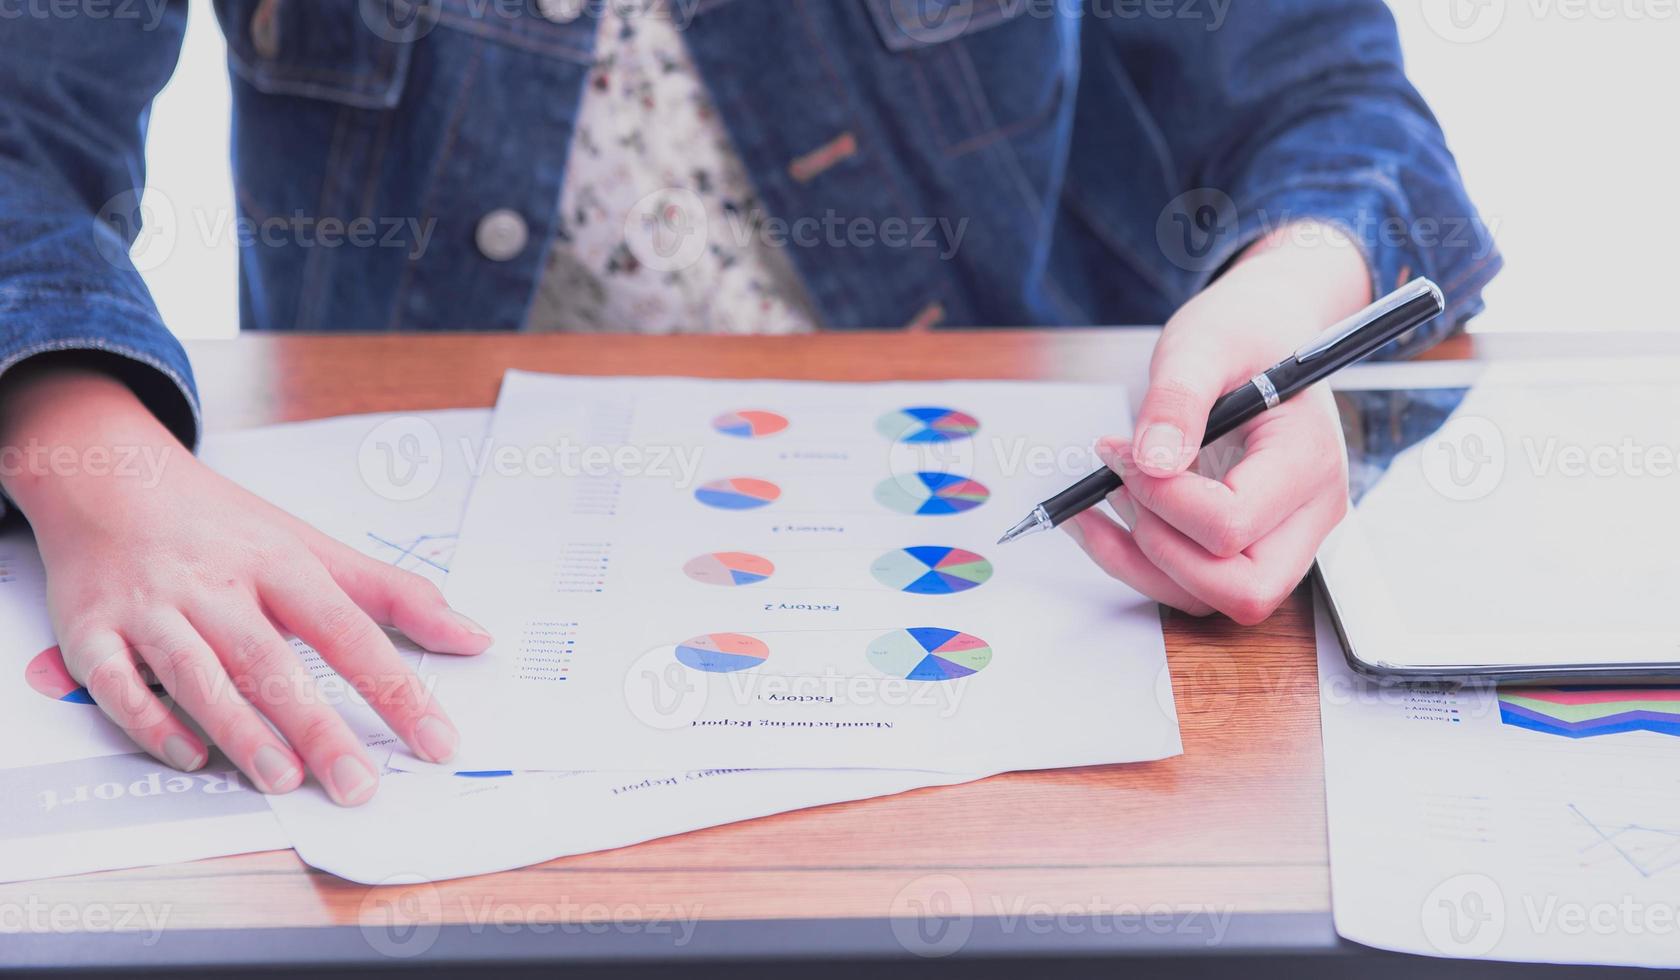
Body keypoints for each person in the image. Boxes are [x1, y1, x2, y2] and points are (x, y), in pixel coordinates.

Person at [0, 0, 1500, 804]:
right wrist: (89, 451)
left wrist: (1286, 303)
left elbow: (1327, 104)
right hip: (420, 573)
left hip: (1032, 598)